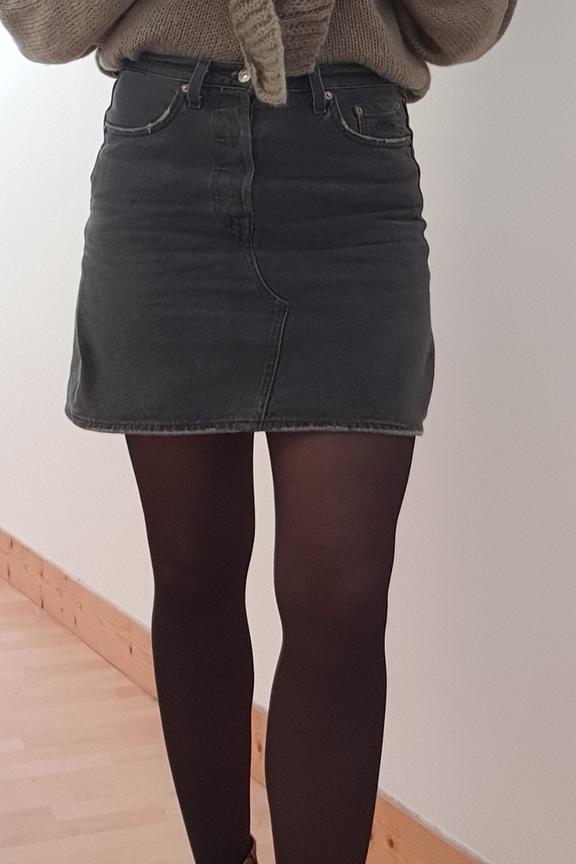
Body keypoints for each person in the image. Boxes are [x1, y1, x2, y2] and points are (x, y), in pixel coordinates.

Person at [0, 2, 518, 863]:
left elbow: (465, 26)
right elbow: (46, 25)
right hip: (163, 165)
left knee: (342, 599)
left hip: (353, 182)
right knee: (194, 574)